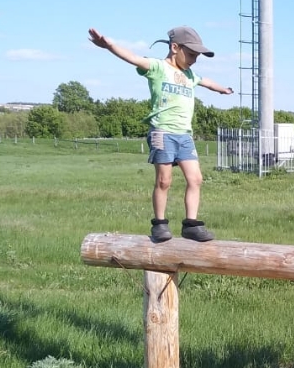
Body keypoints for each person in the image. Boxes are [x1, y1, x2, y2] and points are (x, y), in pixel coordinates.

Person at [88, 26, 234, 242]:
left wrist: (222, 89)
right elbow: (133, 58)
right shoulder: (158, 67)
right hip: (162, 132)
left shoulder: (190, 75)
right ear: (175, 48)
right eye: (191, 54)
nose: (194, 60)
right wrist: (109, 45)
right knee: (164, 180)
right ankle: (159, 223)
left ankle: (190, 225)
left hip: (184, 135)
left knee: (196, 179)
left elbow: (207, 82)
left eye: (197, 56)